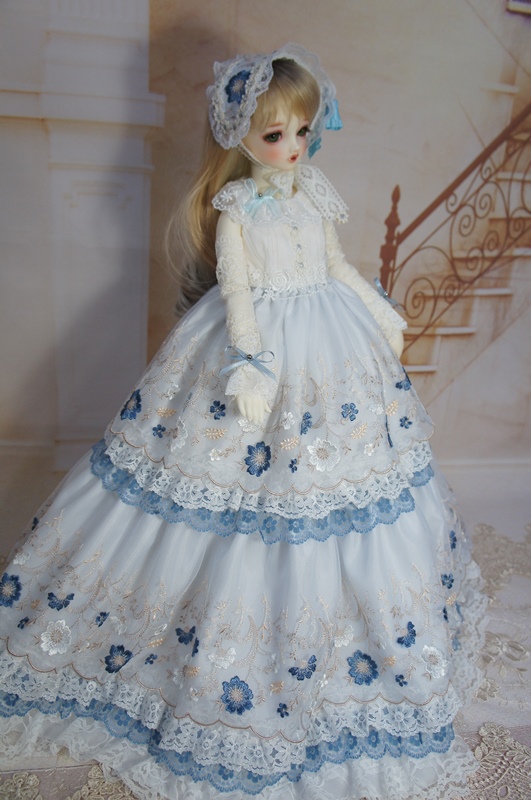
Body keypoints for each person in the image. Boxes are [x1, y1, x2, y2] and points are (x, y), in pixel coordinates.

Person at [0, 44, 486, 800]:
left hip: (333, 342)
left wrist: (378, 312)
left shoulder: (312, 192)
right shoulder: (234, 210)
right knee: (208, 487)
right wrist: (251, 365)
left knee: (349, 490)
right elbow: (235, 296)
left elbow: (336, 265)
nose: (293, 147)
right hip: (258, 347)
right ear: (240, 136)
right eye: (275, 134)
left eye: (302, 131)